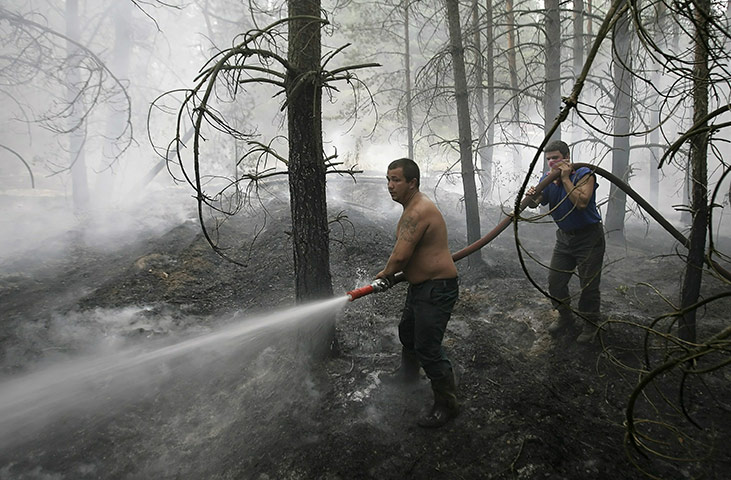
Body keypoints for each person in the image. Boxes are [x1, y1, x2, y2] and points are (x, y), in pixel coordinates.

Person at [375, 158, 460, 428]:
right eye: (388, 180)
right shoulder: (412, 206)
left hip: (436, 289)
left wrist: (384, 275)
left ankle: (447, 404)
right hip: (421, 286)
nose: (390, 186)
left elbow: (400, 257)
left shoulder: (417, 211)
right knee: (408, 332)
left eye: (396, 180)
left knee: (428, 347)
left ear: (413, 182)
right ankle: (408, 376)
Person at [526, 140, 605, 344]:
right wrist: (532, 196)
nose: (552, 162)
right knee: (555, 281)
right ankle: (565, 316)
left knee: (588, 284)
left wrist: (565, 178)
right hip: (564, 238)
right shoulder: (548, 179)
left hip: (589, 237)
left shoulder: (584, 174)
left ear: (566, 157)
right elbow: (537, 203)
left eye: (556, 158)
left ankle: (590, 324)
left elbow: (581, 202)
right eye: (549, 159)